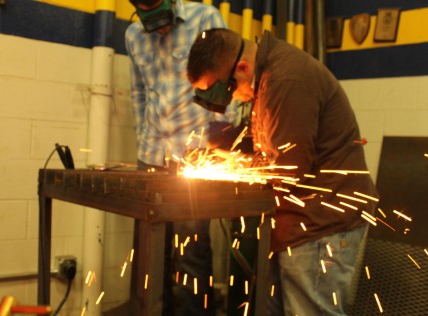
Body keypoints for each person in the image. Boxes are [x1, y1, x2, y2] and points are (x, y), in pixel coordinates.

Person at [187, 28, 379, 315]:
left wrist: (230, 166)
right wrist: (223, 150)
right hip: (297, 223)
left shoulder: (286, 79)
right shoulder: (268, 77)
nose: (235, 99)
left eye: (226, 89)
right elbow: (270, 145)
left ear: (241, 68)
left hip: (321, 224)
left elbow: (287, 169)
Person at [125, 1, 230, 315]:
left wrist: (222, 142)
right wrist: (143, 144)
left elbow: (225, 82)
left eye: (166, 23)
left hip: (195, 157)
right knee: (148, 253)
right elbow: (139, 94)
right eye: (154, 26)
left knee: (191, 253)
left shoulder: (205, 17)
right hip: (152, 155)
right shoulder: (132, 35)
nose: (163, 31)